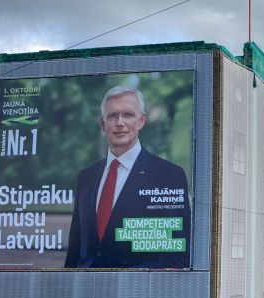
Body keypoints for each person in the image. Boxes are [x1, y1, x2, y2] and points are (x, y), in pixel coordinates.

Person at [64, 85, 191, 268]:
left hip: (134, 292)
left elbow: (177, 256)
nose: (120, 122)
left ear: (141, 121)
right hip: (85, 291)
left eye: (128, 115)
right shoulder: (86, 177)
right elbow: (75, 252)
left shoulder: (169, 175)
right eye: (113, 115)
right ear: (103, 124)